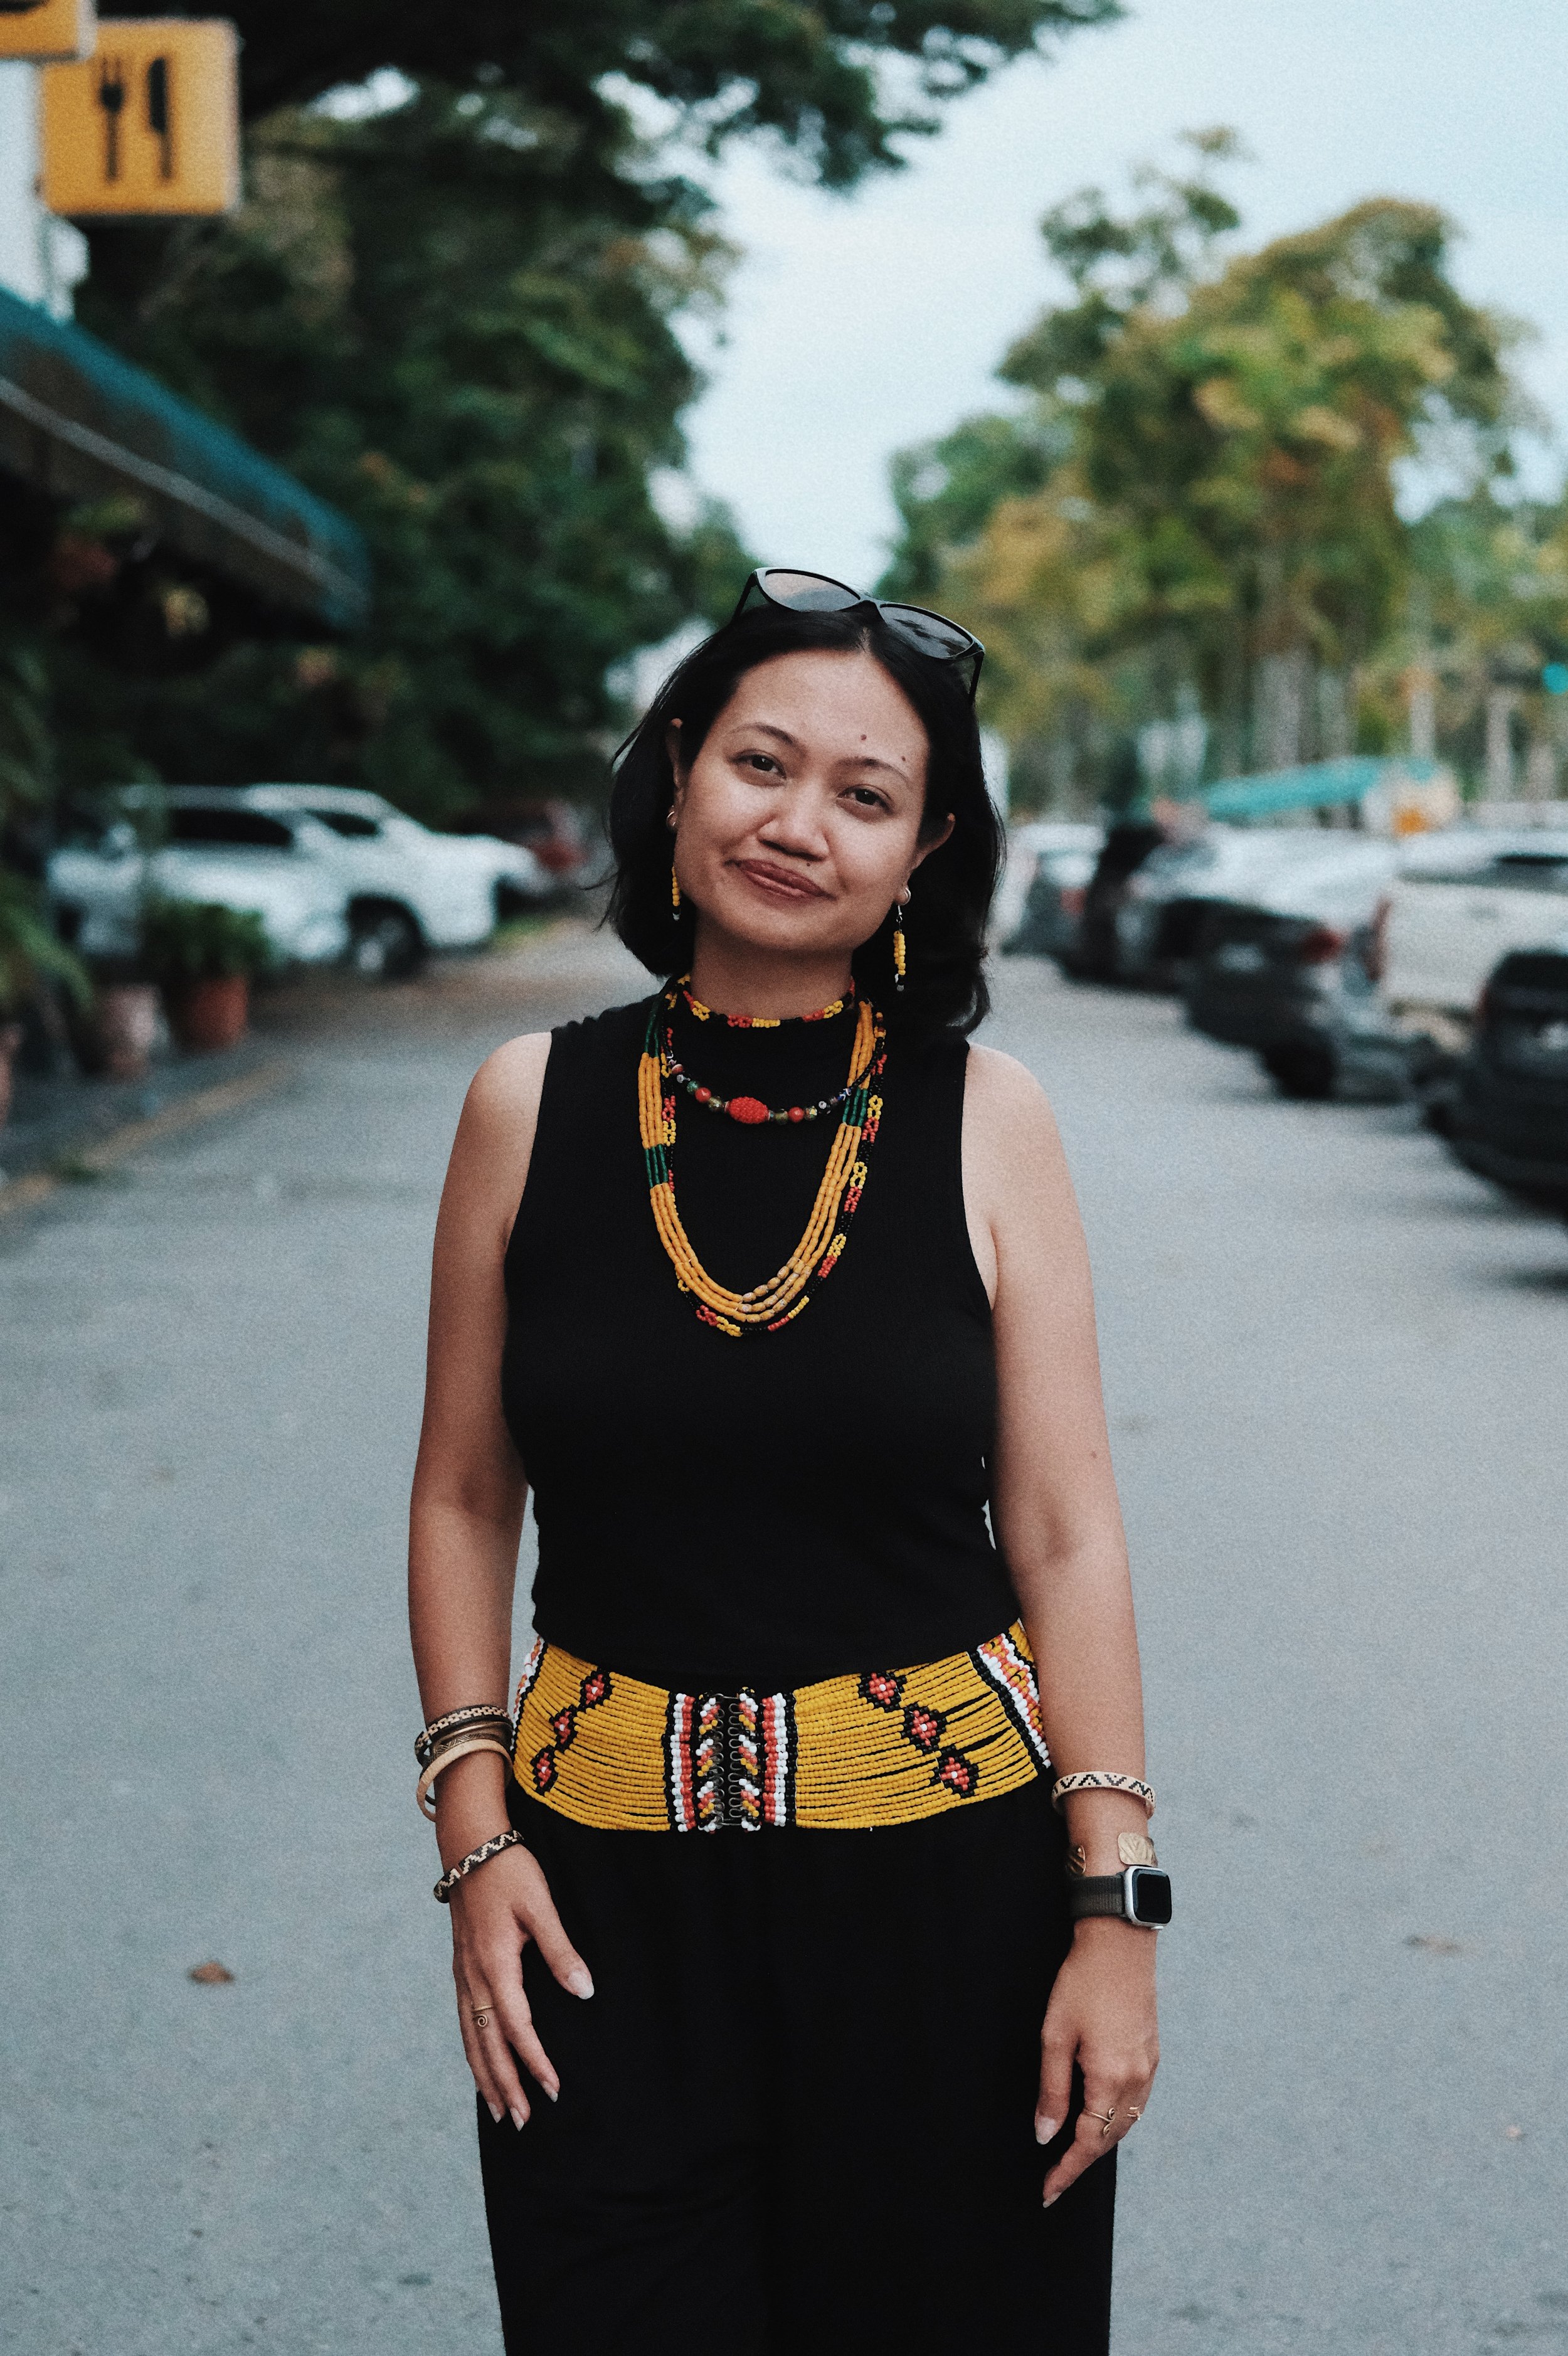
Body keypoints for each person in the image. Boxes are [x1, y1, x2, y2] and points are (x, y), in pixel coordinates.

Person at [408, 569, 1165, 2352]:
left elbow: (1066, 1529)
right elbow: (463, 1492)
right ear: (679, 773)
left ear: (923, 854)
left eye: (865, 793)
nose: (798, 823)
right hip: (601, 1919)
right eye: (761, 762)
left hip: (949, 1919)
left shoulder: (989, 1119)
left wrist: (1113, 1911)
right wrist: (474, 1834)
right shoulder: (528, 1102)